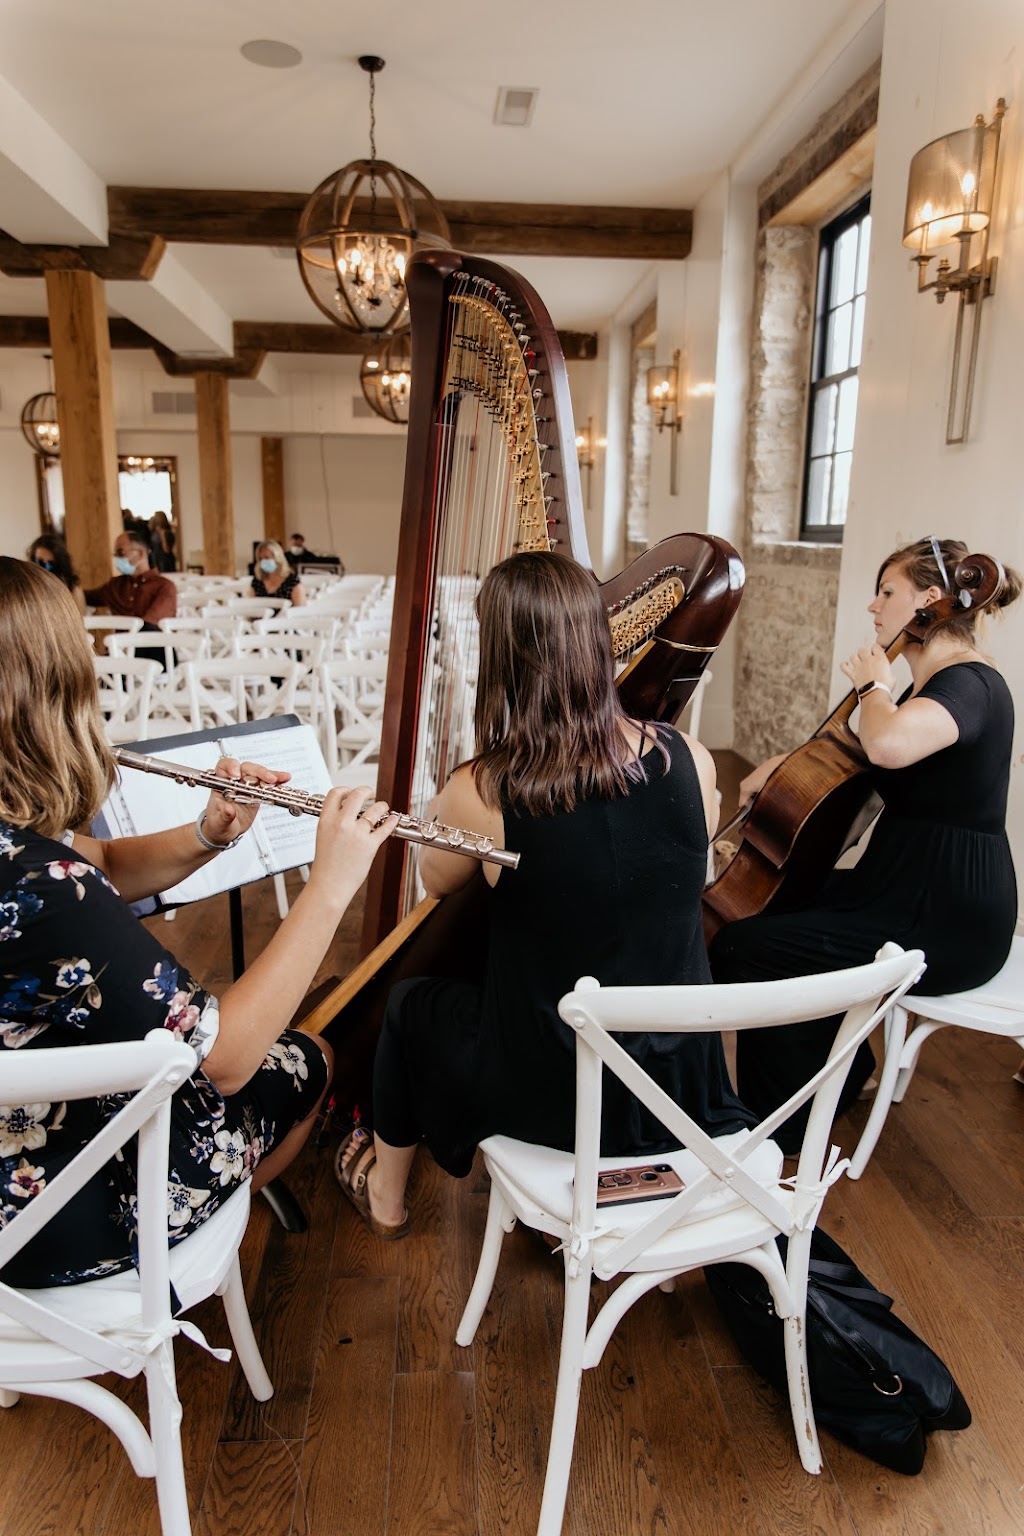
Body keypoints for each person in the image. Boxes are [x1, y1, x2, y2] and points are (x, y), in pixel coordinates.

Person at [0, 556, 397, 1286]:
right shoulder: (43, 889)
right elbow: (225, 1058)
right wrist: (331, 886)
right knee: (311, 1052)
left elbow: (105, 863)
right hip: (50, 1214)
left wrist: (209, 833)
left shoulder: (26, 850)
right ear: (46, 696)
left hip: (20, 1133)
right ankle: (197, 1245)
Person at [334, 550, 753, 1237]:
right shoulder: (691, 759)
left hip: (561, 1093)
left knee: (411, 1004)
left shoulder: (484, 788)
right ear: (598, 641)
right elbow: (681, 868)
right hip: (681, 1088)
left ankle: (385, 1195)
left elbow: (436, 883)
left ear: (503, 658)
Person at [708, 535, 1020, 1152]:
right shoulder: (925, 693)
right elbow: (865, 774)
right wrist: (784, 767)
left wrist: (875, 686)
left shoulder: (969, 686)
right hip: (903, 885)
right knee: (780, 900)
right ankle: (835, 1072)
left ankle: (785, 1121)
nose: (874, 609)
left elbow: (888, 747)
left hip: (946, 914)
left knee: (747, 946)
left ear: (931, 600)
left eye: (887, 593)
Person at [83, 529, 177, 626]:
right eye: (115, 555)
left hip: (151, 640)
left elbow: (152, 626)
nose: (117, 559)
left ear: (141, 553)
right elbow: (86, 597)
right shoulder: (115, 586)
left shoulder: (164, 587)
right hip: (118, 640)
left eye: (121, 552)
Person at [26, 534, 86, 615]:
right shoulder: (28, 587)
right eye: (40, 562)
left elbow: (79, 620)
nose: (45, 569)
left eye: (50, 564)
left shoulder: (73, 589)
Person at [251, 539, 305, 607]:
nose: (263, 561)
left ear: (277, 558)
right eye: (260, 559)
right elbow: (250, 607)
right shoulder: (257, 581)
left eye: (267, 557)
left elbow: (299, 609)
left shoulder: (292, 581)